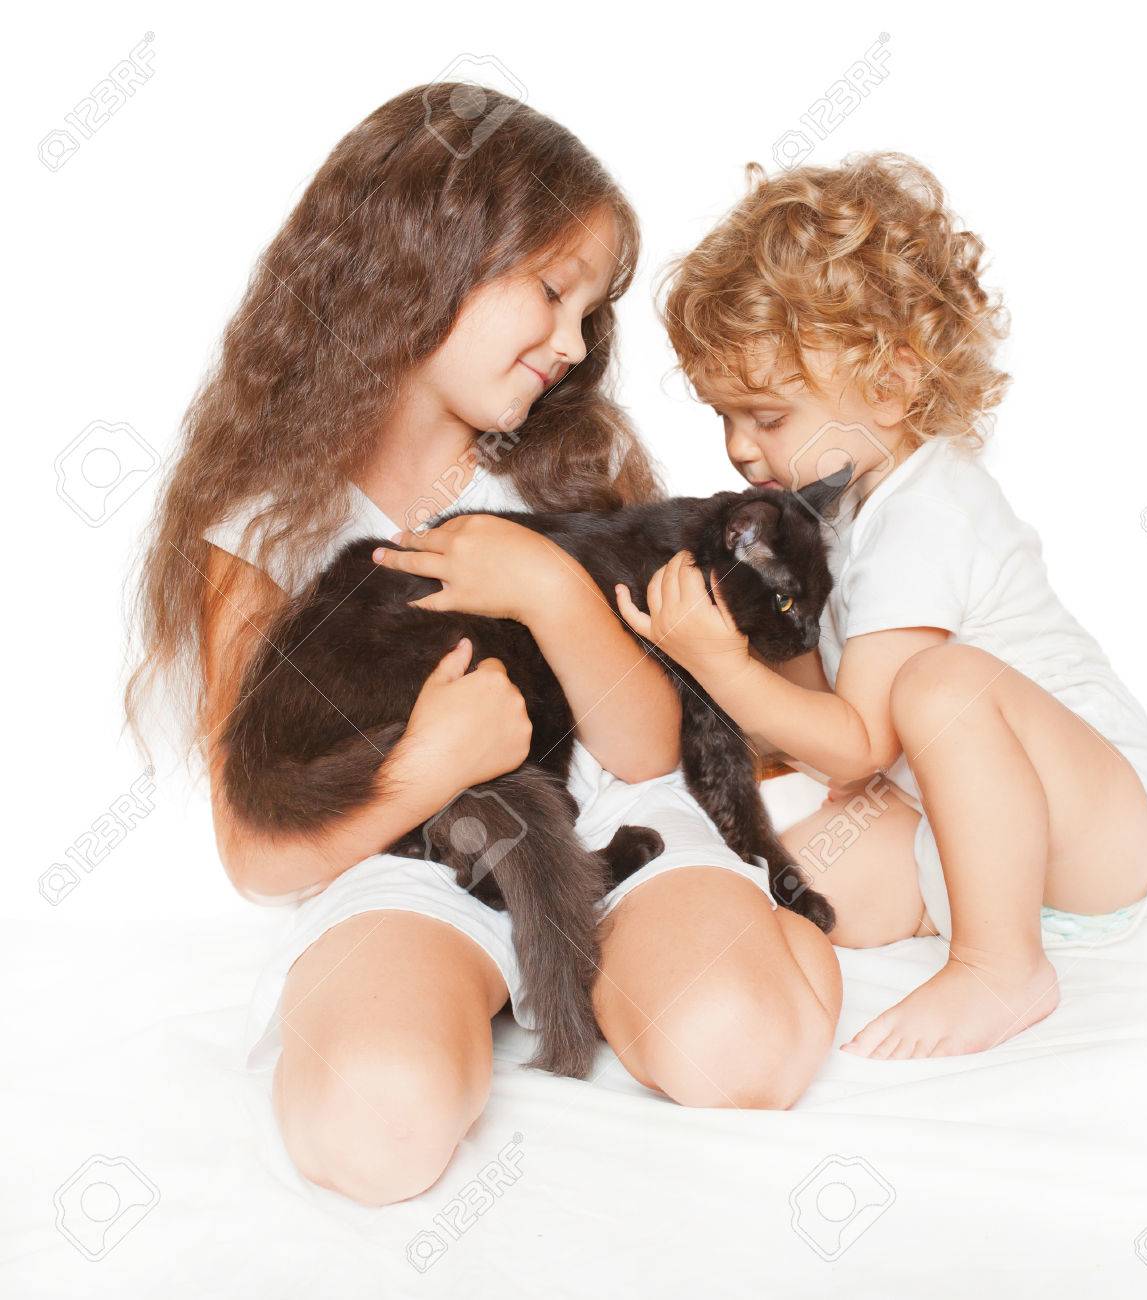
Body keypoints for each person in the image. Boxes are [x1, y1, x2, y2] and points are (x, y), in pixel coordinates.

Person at [122, 85, 841, 1208]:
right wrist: (432, 767)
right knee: (373, 1128)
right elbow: (259, 853)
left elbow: (646, 752)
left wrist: (554, 591)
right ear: (420, 255)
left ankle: (748, 938)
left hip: (614, 823)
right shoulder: (266, 529)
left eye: (589, 312)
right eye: (551, 292)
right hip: (407, 857)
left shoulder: (571, 472)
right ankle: (464, 986)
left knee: (737, 1051)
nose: (573, 342)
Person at [624, 151, 1147, 1061]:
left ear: (891, 387)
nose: (739, 449)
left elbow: (858, 746)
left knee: (939, 685)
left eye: (767, 417)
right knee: (788, 876)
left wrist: (715, 661)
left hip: (1093, 830)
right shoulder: (833, 514)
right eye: (724, 417)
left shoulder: (930, 511)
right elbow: (829, 742)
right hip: (966, 836)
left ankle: (1000, 965)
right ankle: (943, 918)